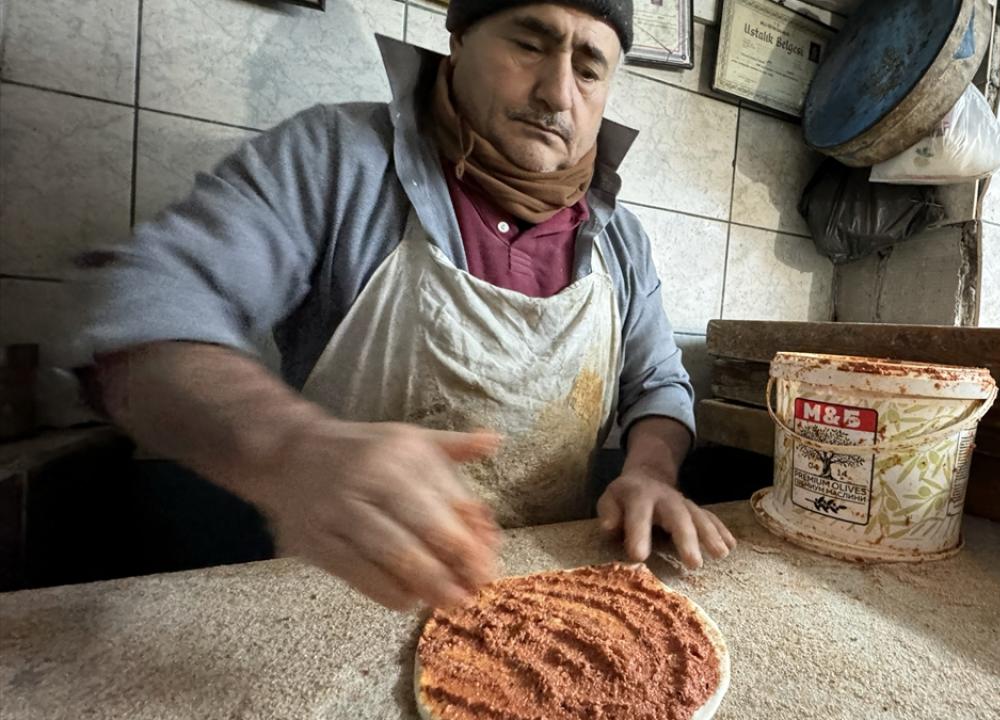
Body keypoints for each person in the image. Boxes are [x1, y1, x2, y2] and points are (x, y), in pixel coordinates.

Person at [76, 0, 735, 611]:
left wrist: (651, 473)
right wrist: (287, 447)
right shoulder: (337, 159)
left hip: (540, 596)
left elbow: (657, 384)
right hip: (348, 591)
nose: (558, 92)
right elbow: (146, 304)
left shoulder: (619, 239)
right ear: (459, 39)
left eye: (589, 68)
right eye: (530, 44)